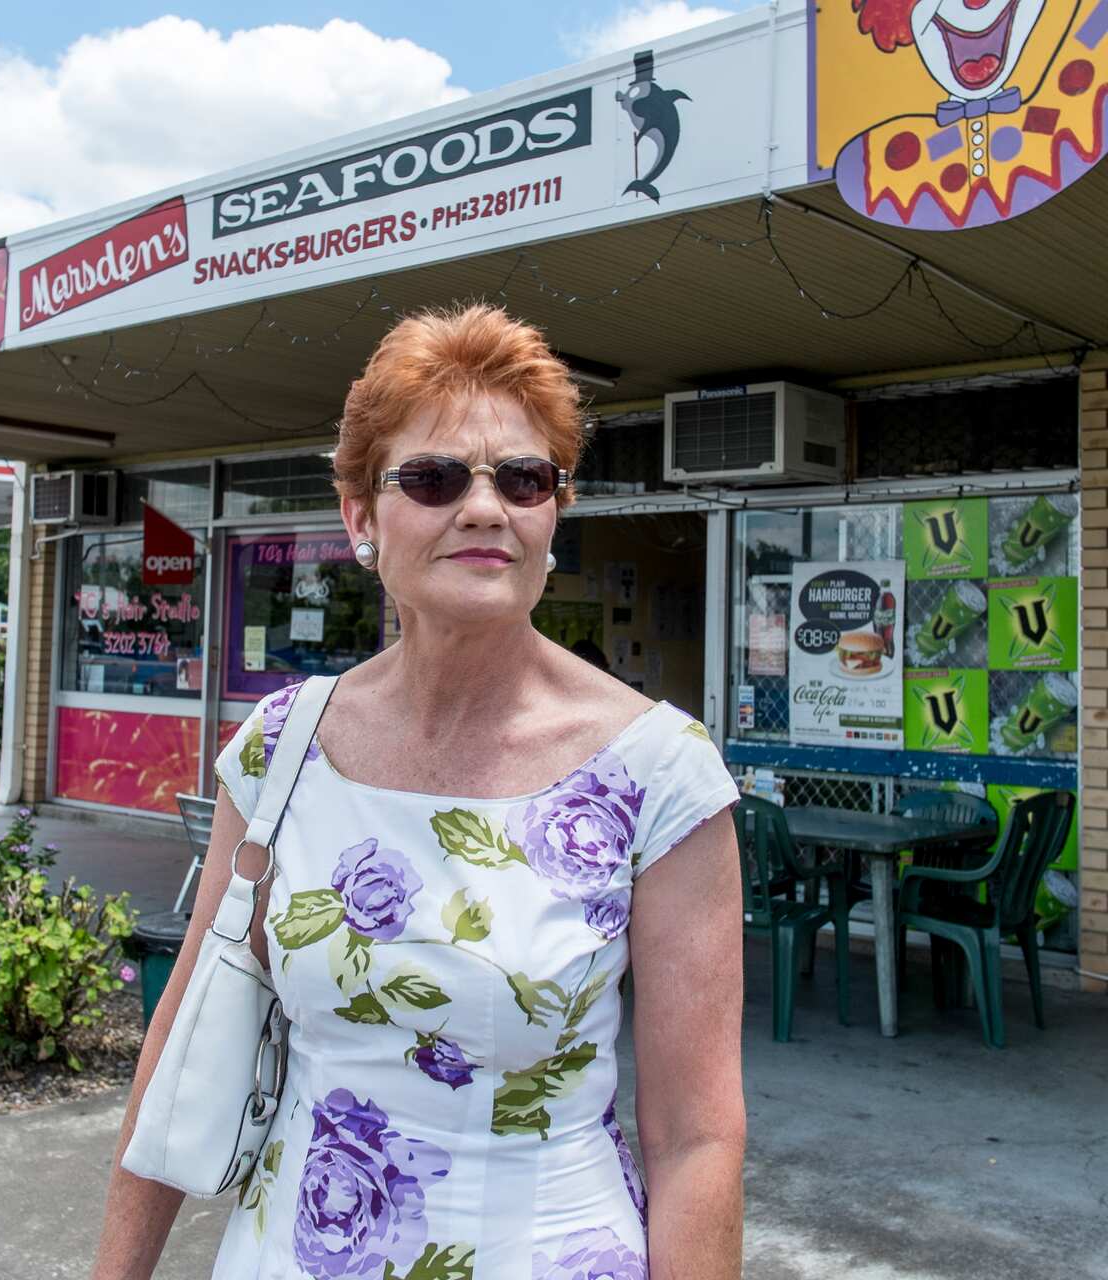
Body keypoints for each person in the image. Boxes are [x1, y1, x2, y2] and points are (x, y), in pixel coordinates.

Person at [90, 304, 746, 1280]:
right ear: (360, 517)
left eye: (522, 478)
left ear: (550, 515)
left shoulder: (659, 773)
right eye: (435, 477)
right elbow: (179, 1051)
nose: (483, 506)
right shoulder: (280, 749)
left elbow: (696, 1139)